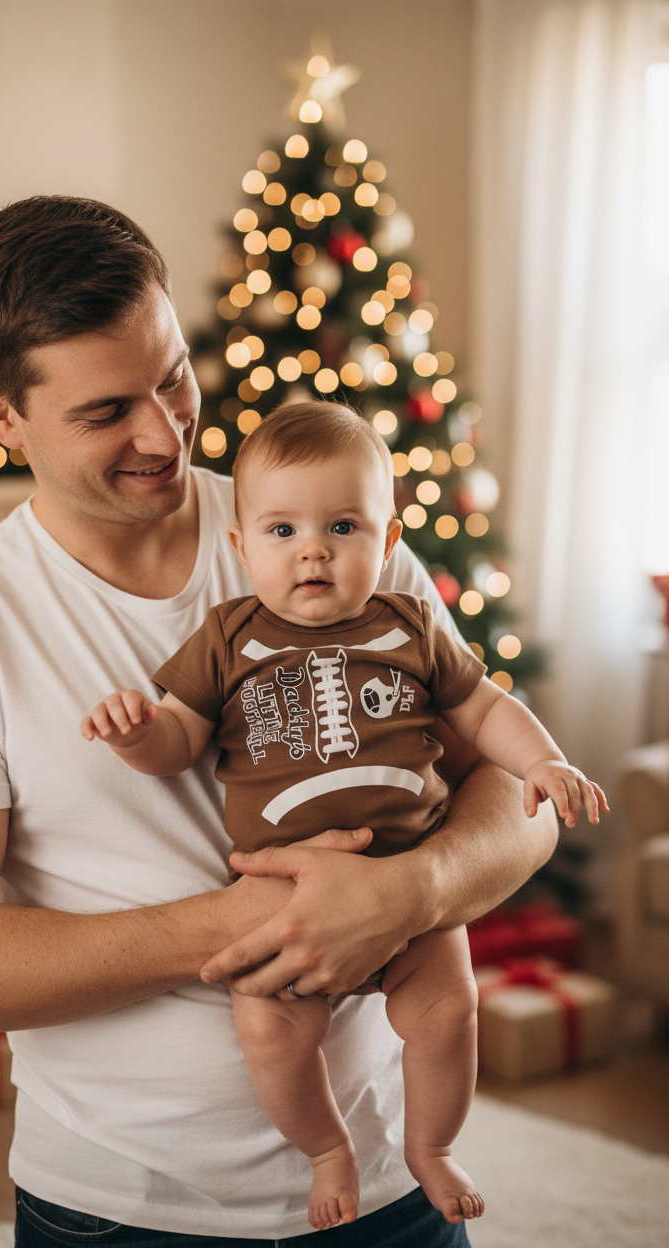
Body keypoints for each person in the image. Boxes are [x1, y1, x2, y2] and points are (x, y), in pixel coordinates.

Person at [0, 196, 558, 1248]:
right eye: (105, 413)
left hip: (386, 1189)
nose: (163, 431)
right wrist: (252, 925)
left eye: (174, 378)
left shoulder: (320, 530)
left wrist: (410, 889)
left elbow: (527, 791)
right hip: (122, 1209)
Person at [82, 401, 608, 1233]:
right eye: (282, 531)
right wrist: (140, 734)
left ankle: (430, 1146)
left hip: (415, 890)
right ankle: (326, 1148)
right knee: (270, 1033)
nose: (314, 550)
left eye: (342, 525)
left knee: (448, 1012)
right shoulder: (227, 638)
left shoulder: (409, 623)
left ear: (389, 543)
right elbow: (179, 738)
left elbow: (480, 706)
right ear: (242, 548)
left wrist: (539, 761)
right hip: (287, 913)